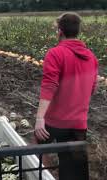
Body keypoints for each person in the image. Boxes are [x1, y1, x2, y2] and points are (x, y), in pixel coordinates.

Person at [34, 12, 98, 180]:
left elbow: (49, 85)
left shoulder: (55, 53)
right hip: (78, 123)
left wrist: (40, 117)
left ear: (60, 31)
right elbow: (91, 89)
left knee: (37, 158)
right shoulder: (92, 58)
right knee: (74, 171)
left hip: (53, 122)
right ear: (77, 31)